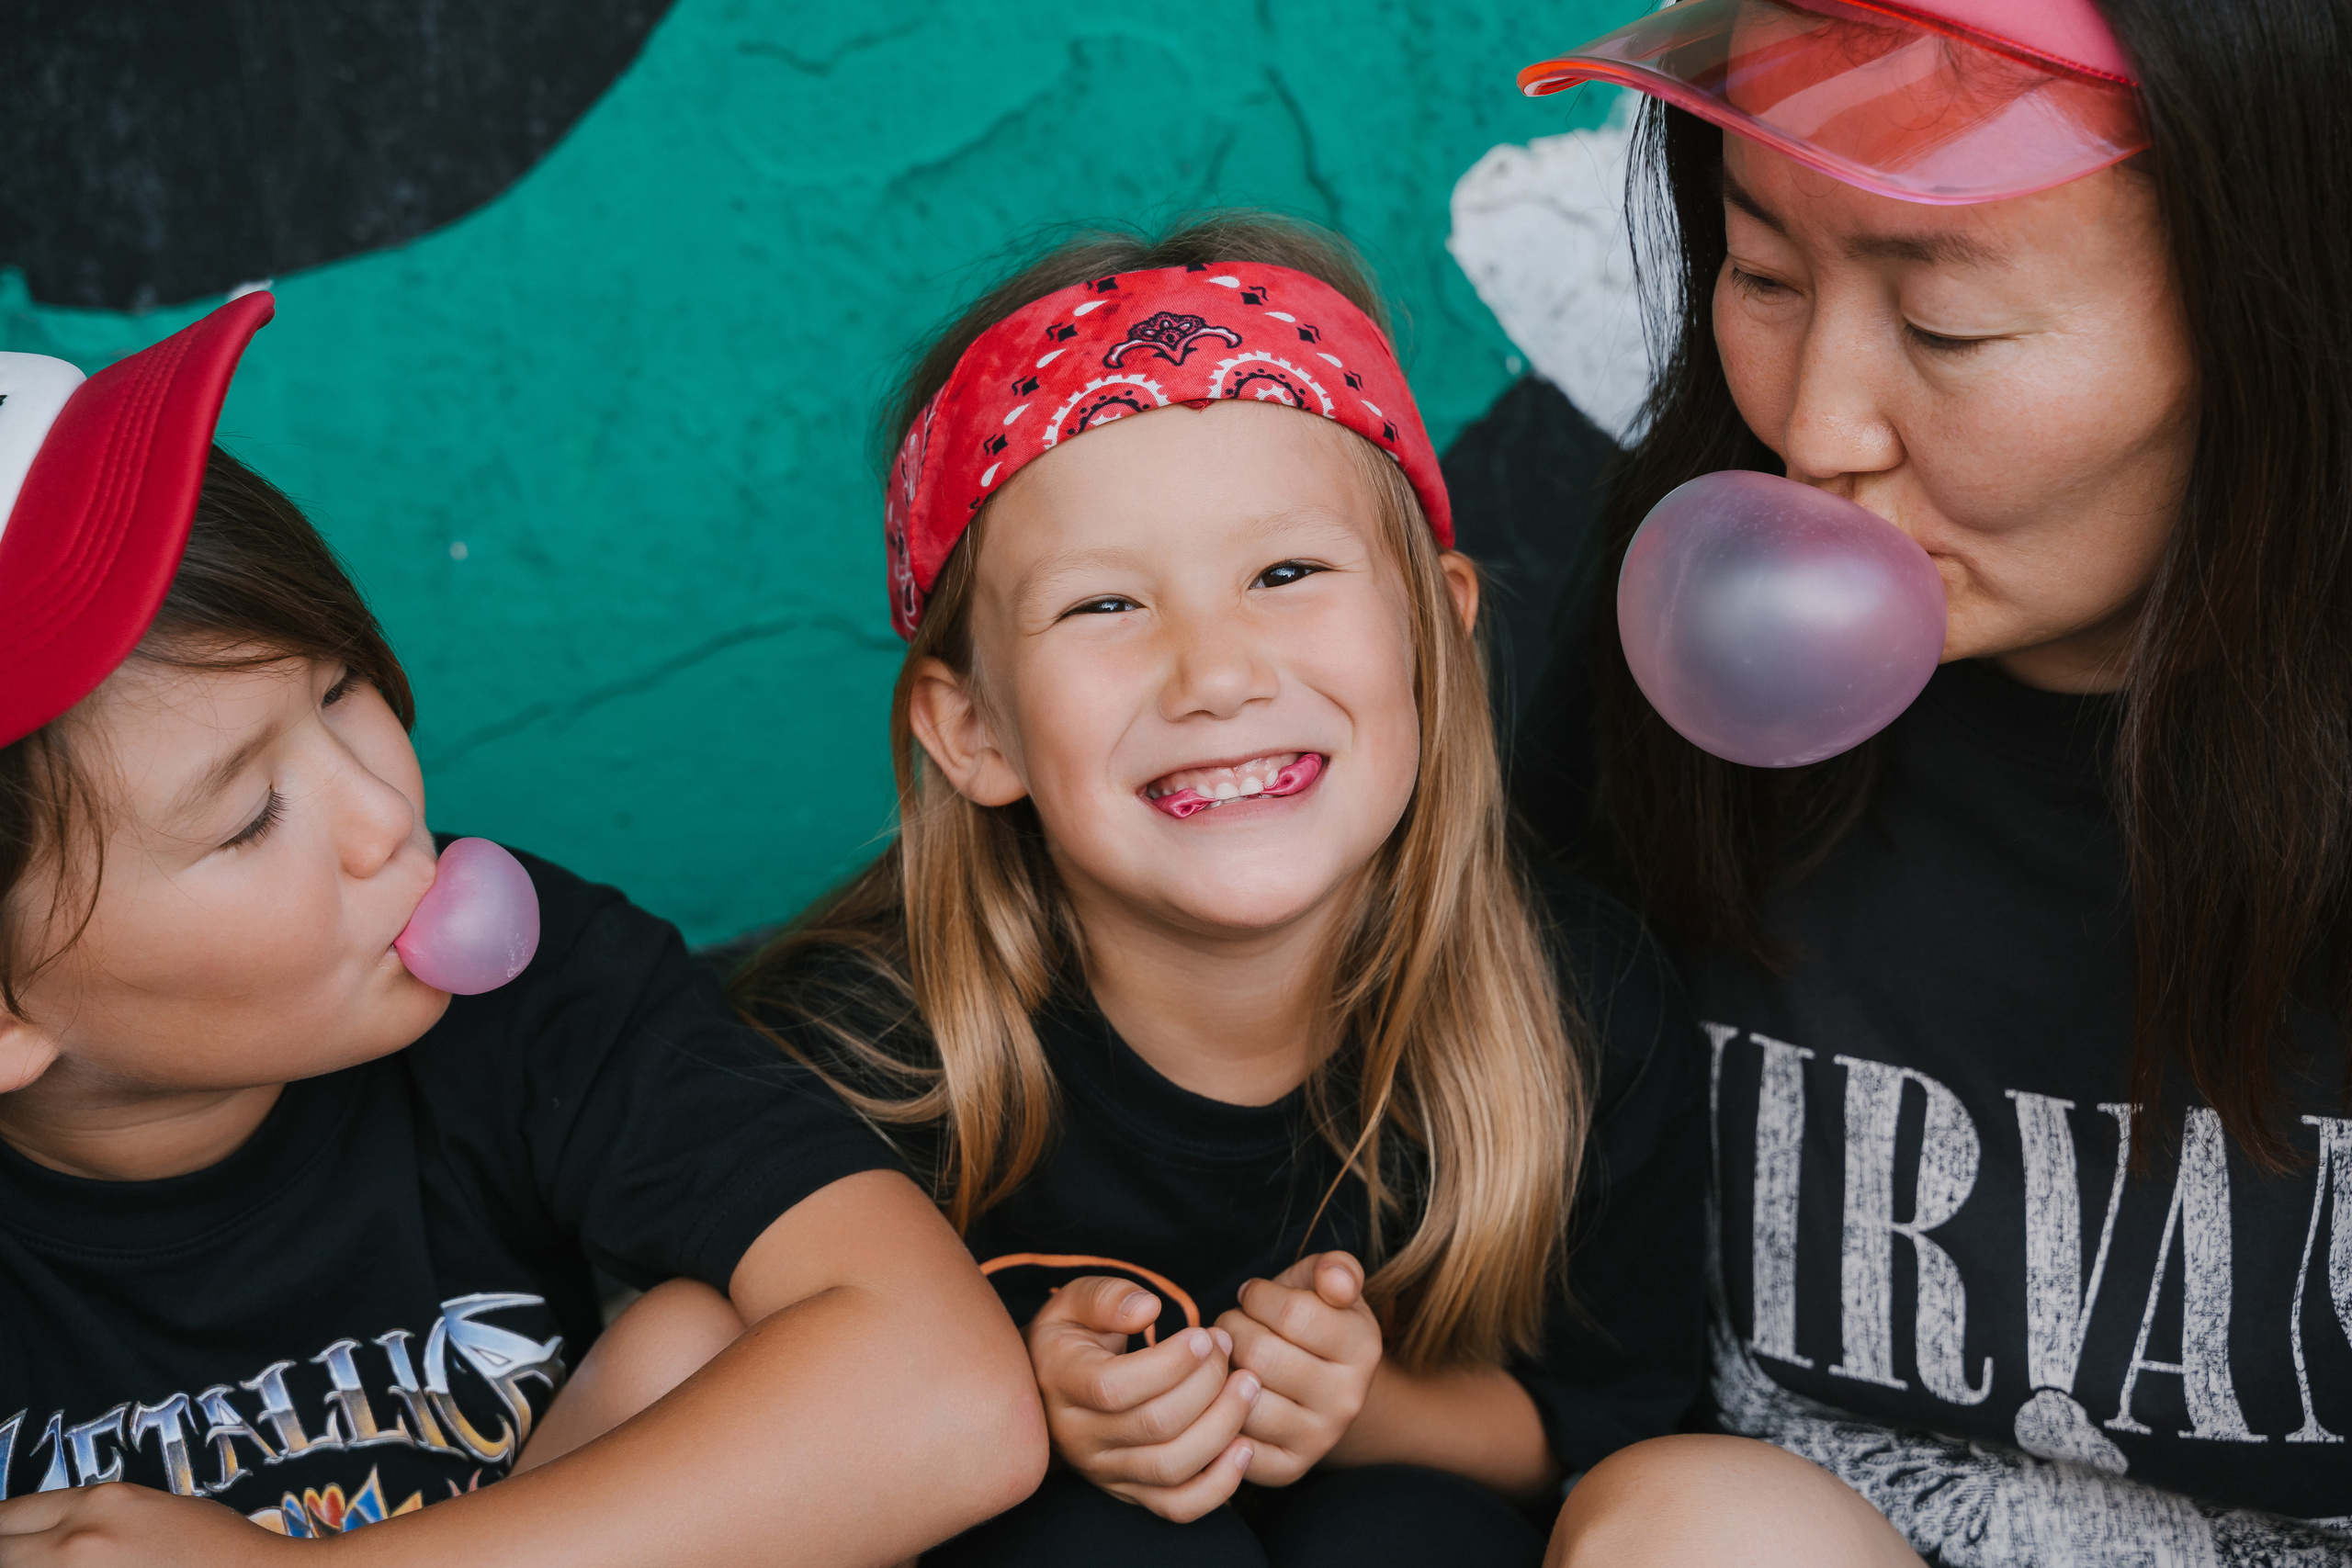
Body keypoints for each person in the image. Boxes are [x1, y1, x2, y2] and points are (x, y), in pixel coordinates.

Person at [1492, 0, 2352, 1562]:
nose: (1817, 430)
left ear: (2275, 296)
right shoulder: (1677, 614)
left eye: (1947, 328)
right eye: (1760, 273)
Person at [0, 296, 1046, 1564]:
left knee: (696, 1344)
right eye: (249, 816)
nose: (386, 812)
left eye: (338, 691)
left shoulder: (536, 992)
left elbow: (949, 1399)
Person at [729, 213, 1709, 1567]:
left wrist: (1366, 1409)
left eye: (1286, 573)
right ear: (977, 734)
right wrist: (1021, 1403)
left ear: (1438, 627)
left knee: (1408, 1534)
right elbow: (738, 1428)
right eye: (1106, 608)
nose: (1216, 673)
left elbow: (1600, 1424)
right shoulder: (860, 1052)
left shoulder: (1582, 1010)